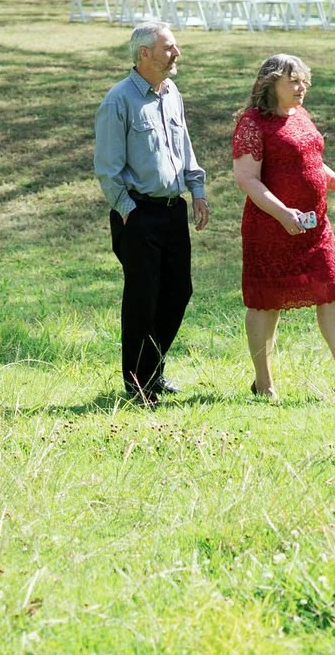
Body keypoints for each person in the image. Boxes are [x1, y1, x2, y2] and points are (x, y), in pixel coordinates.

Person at [231, 54, 335, 401]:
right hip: (270, 228)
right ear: (271, 84)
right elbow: (246, 179)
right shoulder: (252, 124)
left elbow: (310, 159)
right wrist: (283, 213)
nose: (301, 88)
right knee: (266, 303)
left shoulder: (301, 116)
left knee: (332, 295)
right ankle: (263, 383)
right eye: (294, 81)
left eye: (304, 82)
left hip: (314, 228)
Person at [93, 20, 209, 406]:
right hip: (138, 213)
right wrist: (129, 213)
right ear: (145, 53)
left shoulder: (171, 92)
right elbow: (107, 170)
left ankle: (153, 372)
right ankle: (138, 385)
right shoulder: (118, 101)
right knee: (143, 297)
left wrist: (197, 190)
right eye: (170, 47)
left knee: (178, 291)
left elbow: (185, 147)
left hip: (174, 210)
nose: (177, 53)